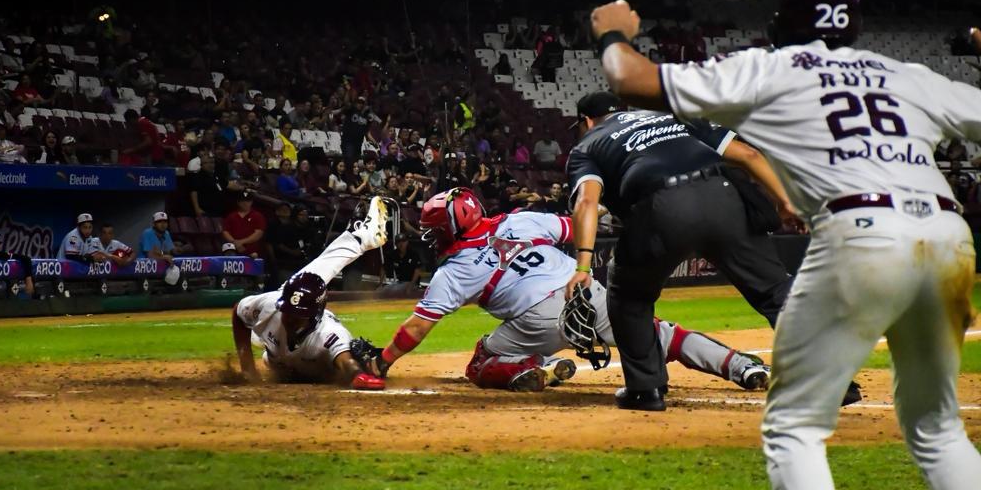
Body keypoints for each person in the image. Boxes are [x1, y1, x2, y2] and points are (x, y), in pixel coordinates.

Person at [589, 0, 981, 490]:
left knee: (795, 425)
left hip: (860, 232)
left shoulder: (775, 68)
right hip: (947, 236)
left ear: (782, 18)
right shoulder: (902, 73)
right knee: (938, 428)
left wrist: (614, 33)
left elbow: (628, 80)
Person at [565, 92, 860, 411]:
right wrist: (785, 202)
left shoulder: (588, 144)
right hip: (724, 196)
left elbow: (587, 202)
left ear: (587, 121)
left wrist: (583, 265)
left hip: (662, 208)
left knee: (628, 297)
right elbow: (748, 154)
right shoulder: (672, 116)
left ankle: (645, 390)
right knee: (776, 290)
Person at [362, 188, 769, 394]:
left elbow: (417, 328)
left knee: (482, 360)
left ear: (448, 229)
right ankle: (743, 367)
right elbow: (578, 225)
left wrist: (382, 362)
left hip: (536, 320)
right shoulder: (520, 221)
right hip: (584, 288)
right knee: (661, 334)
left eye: (435, 230)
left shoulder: (453, 270)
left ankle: (533, 368)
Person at [231, 197, 389, 386]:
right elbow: (239, 313)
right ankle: (361, 235)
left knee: (343, 360)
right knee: (308, 280)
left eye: (297, 316)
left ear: (314, 315)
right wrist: (247, 367)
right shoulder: (272, 306)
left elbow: (347, 363)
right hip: (276, 343)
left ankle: (360, 236)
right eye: (288, 312)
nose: (289, 318)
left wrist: (358, 375)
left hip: (287, 356)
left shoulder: (328, 332)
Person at [223, 192, 267, 258]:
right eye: (242, 201)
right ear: (238, 202)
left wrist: (241, 242)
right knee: (228, 250)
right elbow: (225, 232)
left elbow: (258, 234)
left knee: (255, 254)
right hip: (234, 248)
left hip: (253, 250)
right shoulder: (231, 216)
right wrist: (235, 243)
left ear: (251, 202)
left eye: (248, 201)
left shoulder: (258, 216)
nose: (245, 203)